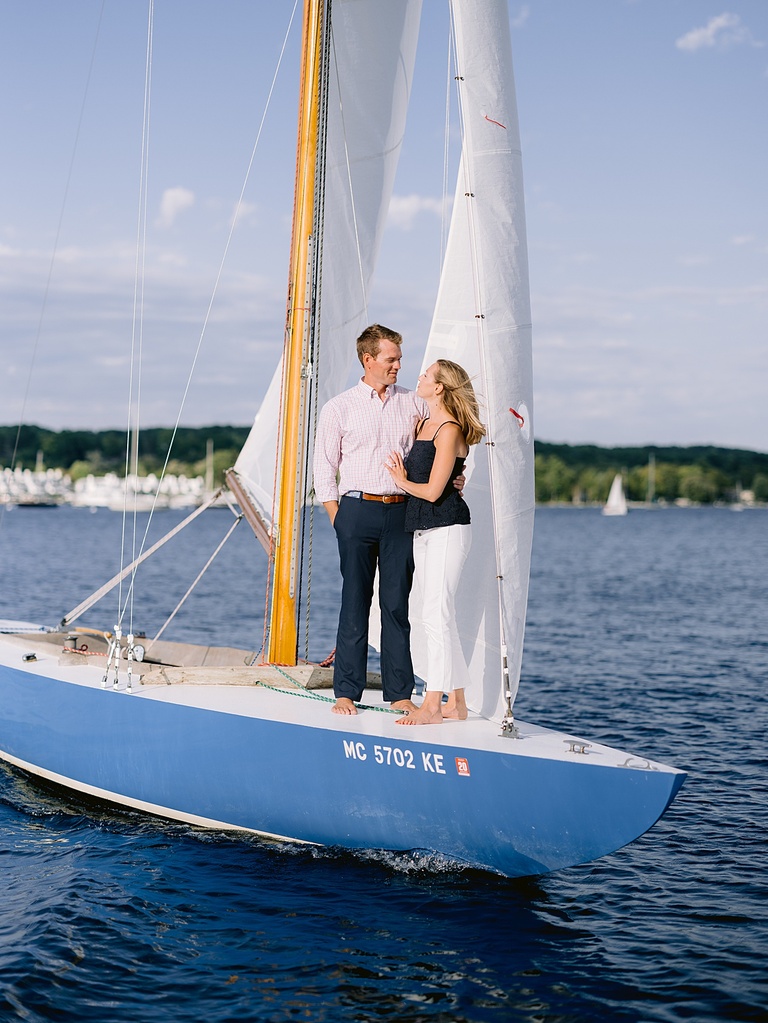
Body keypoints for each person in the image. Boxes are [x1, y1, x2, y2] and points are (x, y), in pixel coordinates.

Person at [313, 324, 426, 716]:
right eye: (391, 358)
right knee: (355, 602)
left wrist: (454, 474)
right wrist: (339, 520)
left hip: (400, 512)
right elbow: (324, 469)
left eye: (398, 358)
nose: (398, 364)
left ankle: (399, 693)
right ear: (369, 359)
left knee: (396, 605)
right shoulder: (339, 407)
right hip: (355, 511)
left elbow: (434, 449)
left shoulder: (414, 403)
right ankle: (346, 691)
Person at [385, 360, 485, 725]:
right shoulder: (424, 424)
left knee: (435, 616)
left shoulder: (449, 428)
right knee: (439, 617)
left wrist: (400, 479)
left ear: (440, 386)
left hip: (447, 528)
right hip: (424, 531)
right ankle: (456, 703)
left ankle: (432, 705)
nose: (420, 376)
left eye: (427, 375)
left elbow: (431, 491)